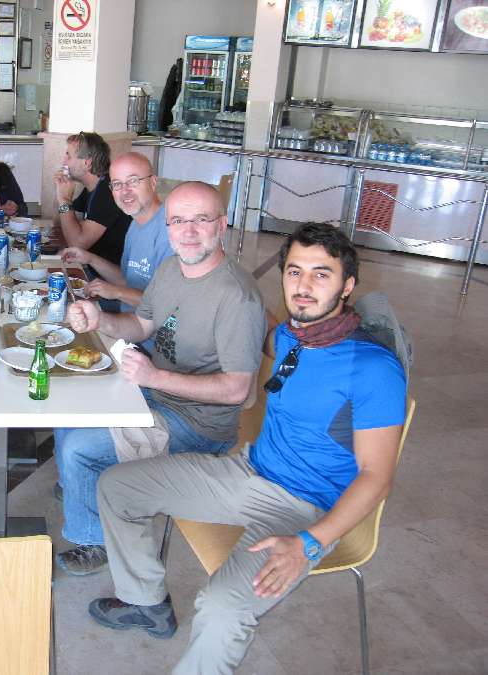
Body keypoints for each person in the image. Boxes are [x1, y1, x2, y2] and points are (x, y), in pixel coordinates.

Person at [89, 222, 407, 675]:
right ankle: (145, 602)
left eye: (321, 274)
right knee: (118, 487)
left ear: (347, 285)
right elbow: (251, 321)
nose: (304, 286)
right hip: (248, 471)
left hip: (305, 509)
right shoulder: (291, 336)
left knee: (223, 608)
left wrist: (309, 543)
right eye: (294, 271)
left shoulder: (374, 368)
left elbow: (377, 477)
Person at [54, 181, 267, 577]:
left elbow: (237, 390)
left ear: (222, 225)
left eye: (201, 219)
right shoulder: (172, 269)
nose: (188, 231)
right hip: (157, 394)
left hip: (198, 424)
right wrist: (101, 320)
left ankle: (94, 539)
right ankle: (83, 489)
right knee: (68, 406)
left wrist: (155, 376)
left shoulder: (236, 297)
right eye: (178, 221)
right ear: (167, 227)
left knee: (80, 448)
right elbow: (142, 325)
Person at [61, 152, 172, 317]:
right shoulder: (135, 224)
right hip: (130, 318)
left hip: (148, 328)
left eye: (133, 181)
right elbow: (126, 280)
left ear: (153, 182)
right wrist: (89, 258)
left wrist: (117, 292)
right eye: (117, 184)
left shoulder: (172, 232)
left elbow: (168, 303)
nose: (125, 191)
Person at [54, 131, 131, 269]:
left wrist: (64, 200)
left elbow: (76, 244)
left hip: (109, 276)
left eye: (68, 156)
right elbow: (61, 225)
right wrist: (62, 197)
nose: (64, 162)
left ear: (87, 162)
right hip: (90, 267)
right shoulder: (93, 187)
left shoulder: (108, 192)